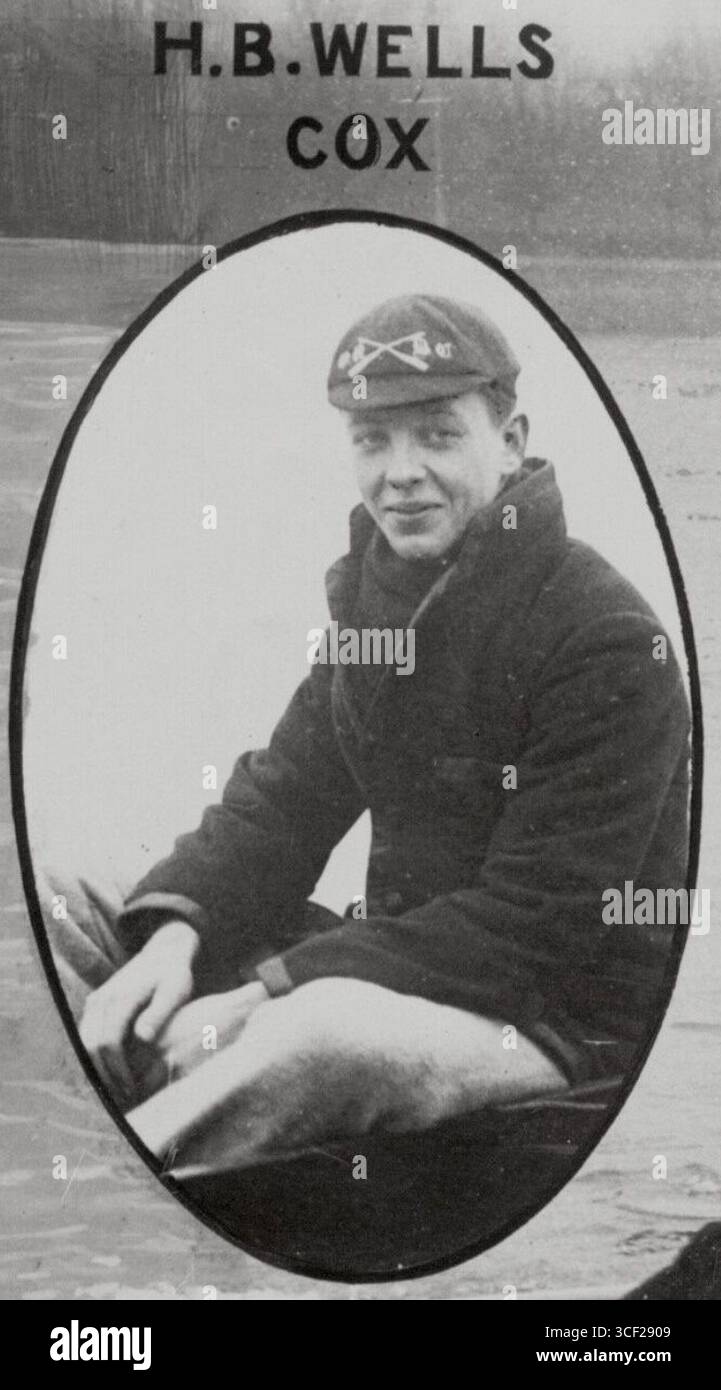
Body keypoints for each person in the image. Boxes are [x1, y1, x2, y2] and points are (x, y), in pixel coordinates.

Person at [43, 294, 691, 1272]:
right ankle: (100, 1107)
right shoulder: (376, 598)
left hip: (548, 1024)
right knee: (66, 897)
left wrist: (263, 991)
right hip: (397, 957)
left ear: (509, 439)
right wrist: (175, 935)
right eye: (372, 438)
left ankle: (109, 1216)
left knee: (317, 1036)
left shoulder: (601, 639)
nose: (401, 473)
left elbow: (527, 927)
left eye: (437, 434)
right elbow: (282, 803)